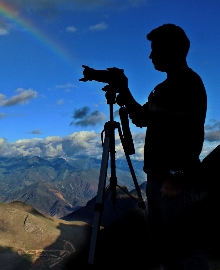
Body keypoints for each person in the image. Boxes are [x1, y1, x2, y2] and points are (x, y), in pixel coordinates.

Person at [83, 24, 208, 269]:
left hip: (176, 185)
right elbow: (142, 118)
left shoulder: (188, 84)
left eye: (155, 50)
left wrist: (178, 175)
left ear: (171, 49)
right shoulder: (162, 88)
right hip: (158, 181)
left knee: (186, 253)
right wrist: (124, 90)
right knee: (165, 251)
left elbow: (191, 133)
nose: (150, 56)